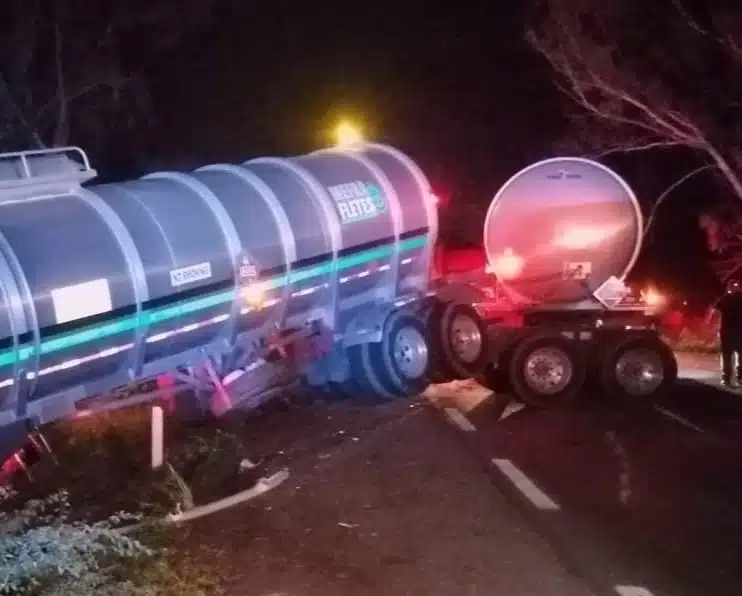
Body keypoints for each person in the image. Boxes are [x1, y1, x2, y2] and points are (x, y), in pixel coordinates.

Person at [714, 279, 742, 387]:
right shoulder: (727, 299)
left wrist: (716, 329)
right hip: (736, 331)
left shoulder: (724, 299)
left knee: (727, 355)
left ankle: (726, 378)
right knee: (739, 355)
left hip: (727, 331)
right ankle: (739, 378)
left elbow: (715, 312)